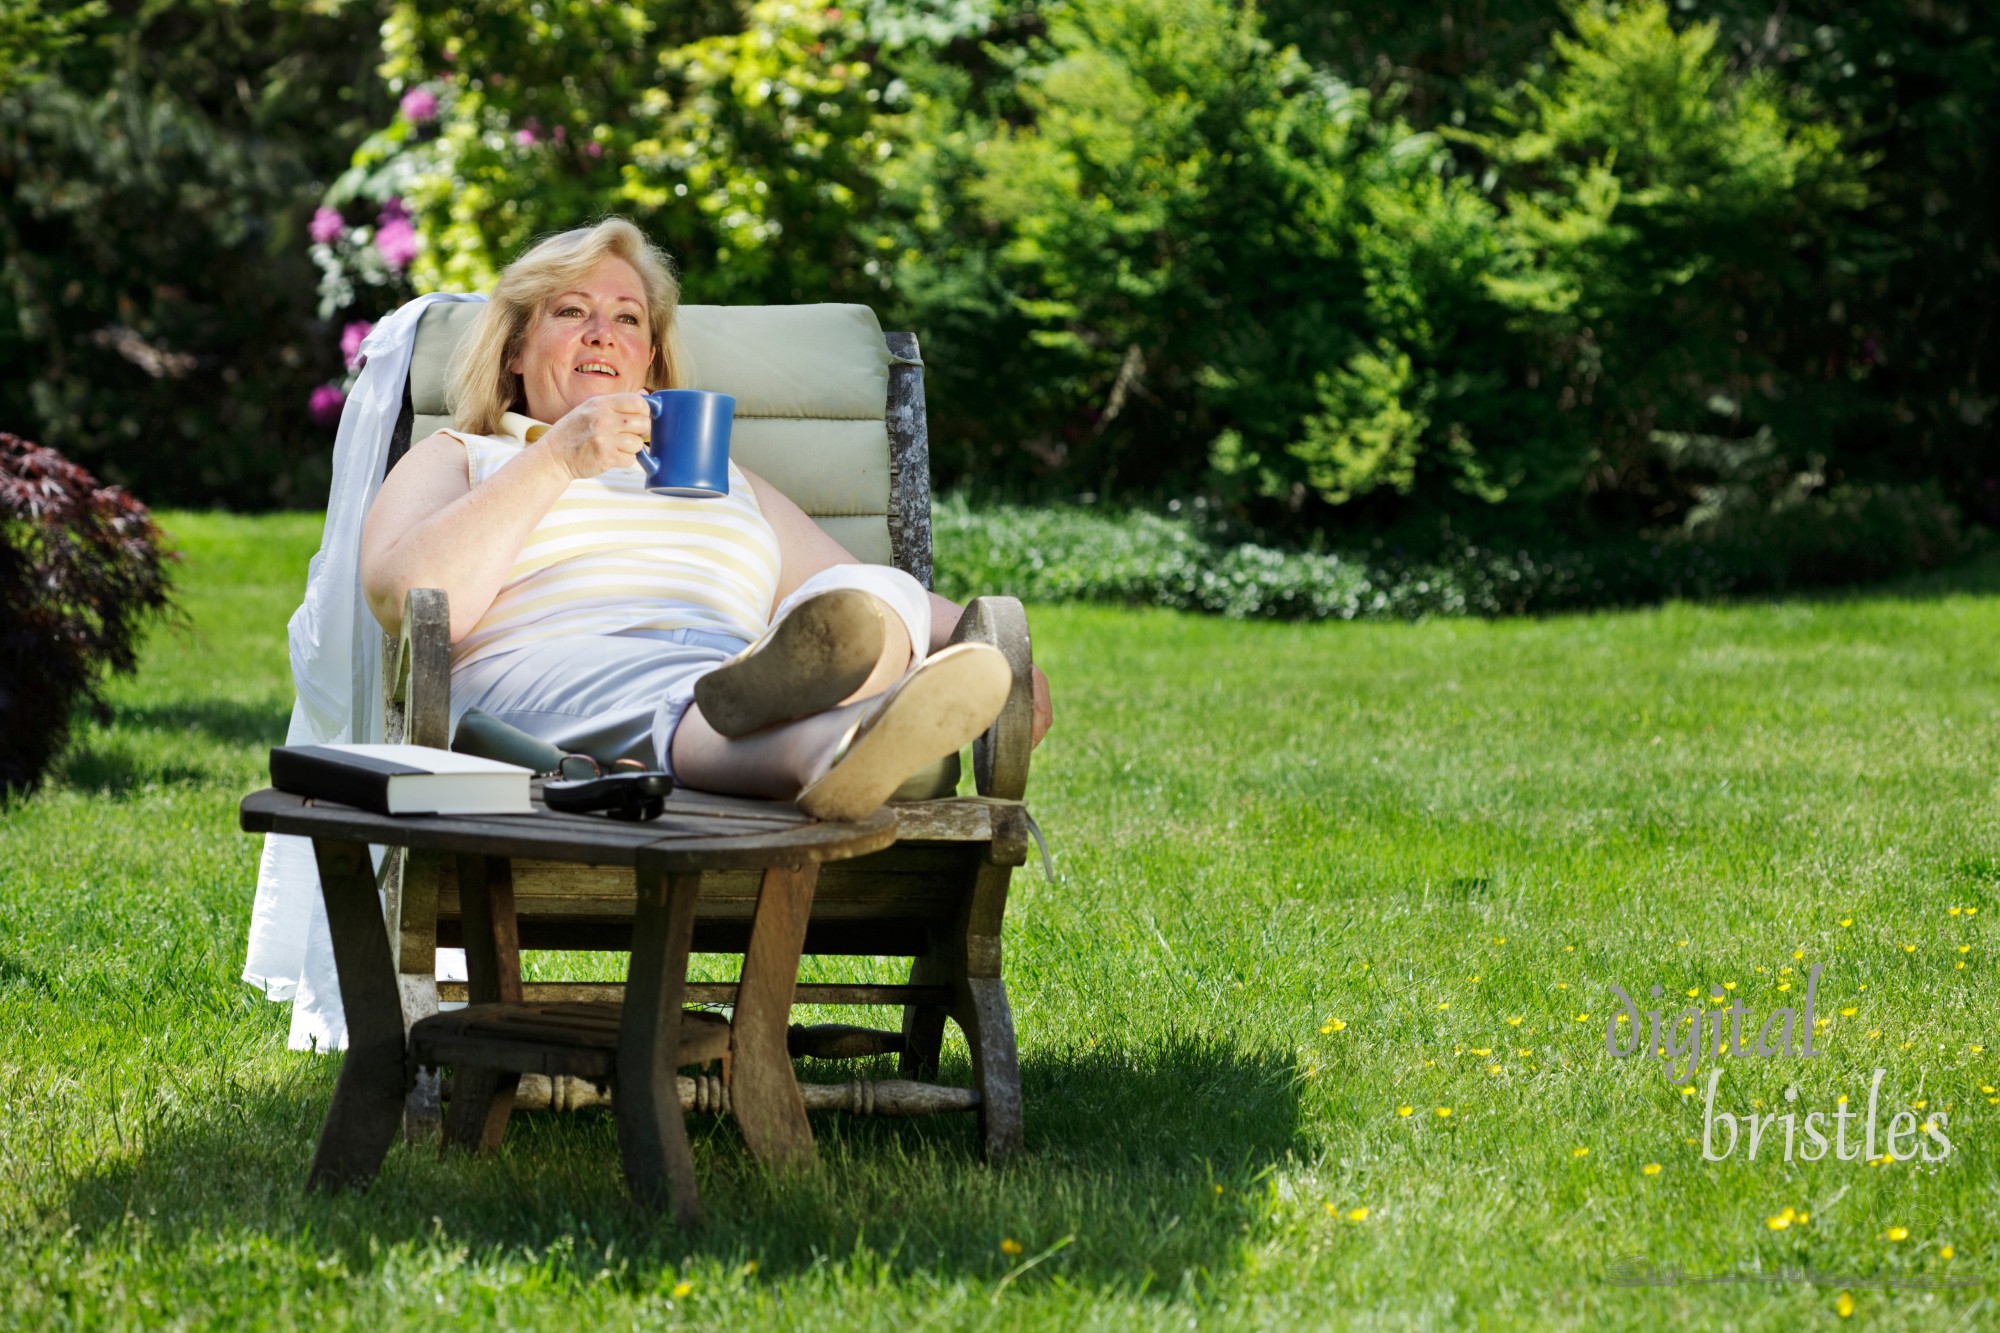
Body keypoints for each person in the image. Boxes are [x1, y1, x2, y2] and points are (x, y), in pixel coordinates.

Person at [358, 218, 1052, 817]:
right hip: (548, 668)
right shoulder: (467, 457)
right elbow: (405, 597)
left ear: (650, 360)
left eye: (628, 318)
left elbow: (852, 583)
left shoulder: (719, 476)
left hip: (731, 664)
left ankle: (832, 739)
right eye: (571, 311)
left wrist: (1001, 655)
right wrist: (558, 458)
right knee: (679, 690)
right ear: (515, 348)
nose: (603, 334)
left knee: (877, 596)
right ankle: (862, 735)